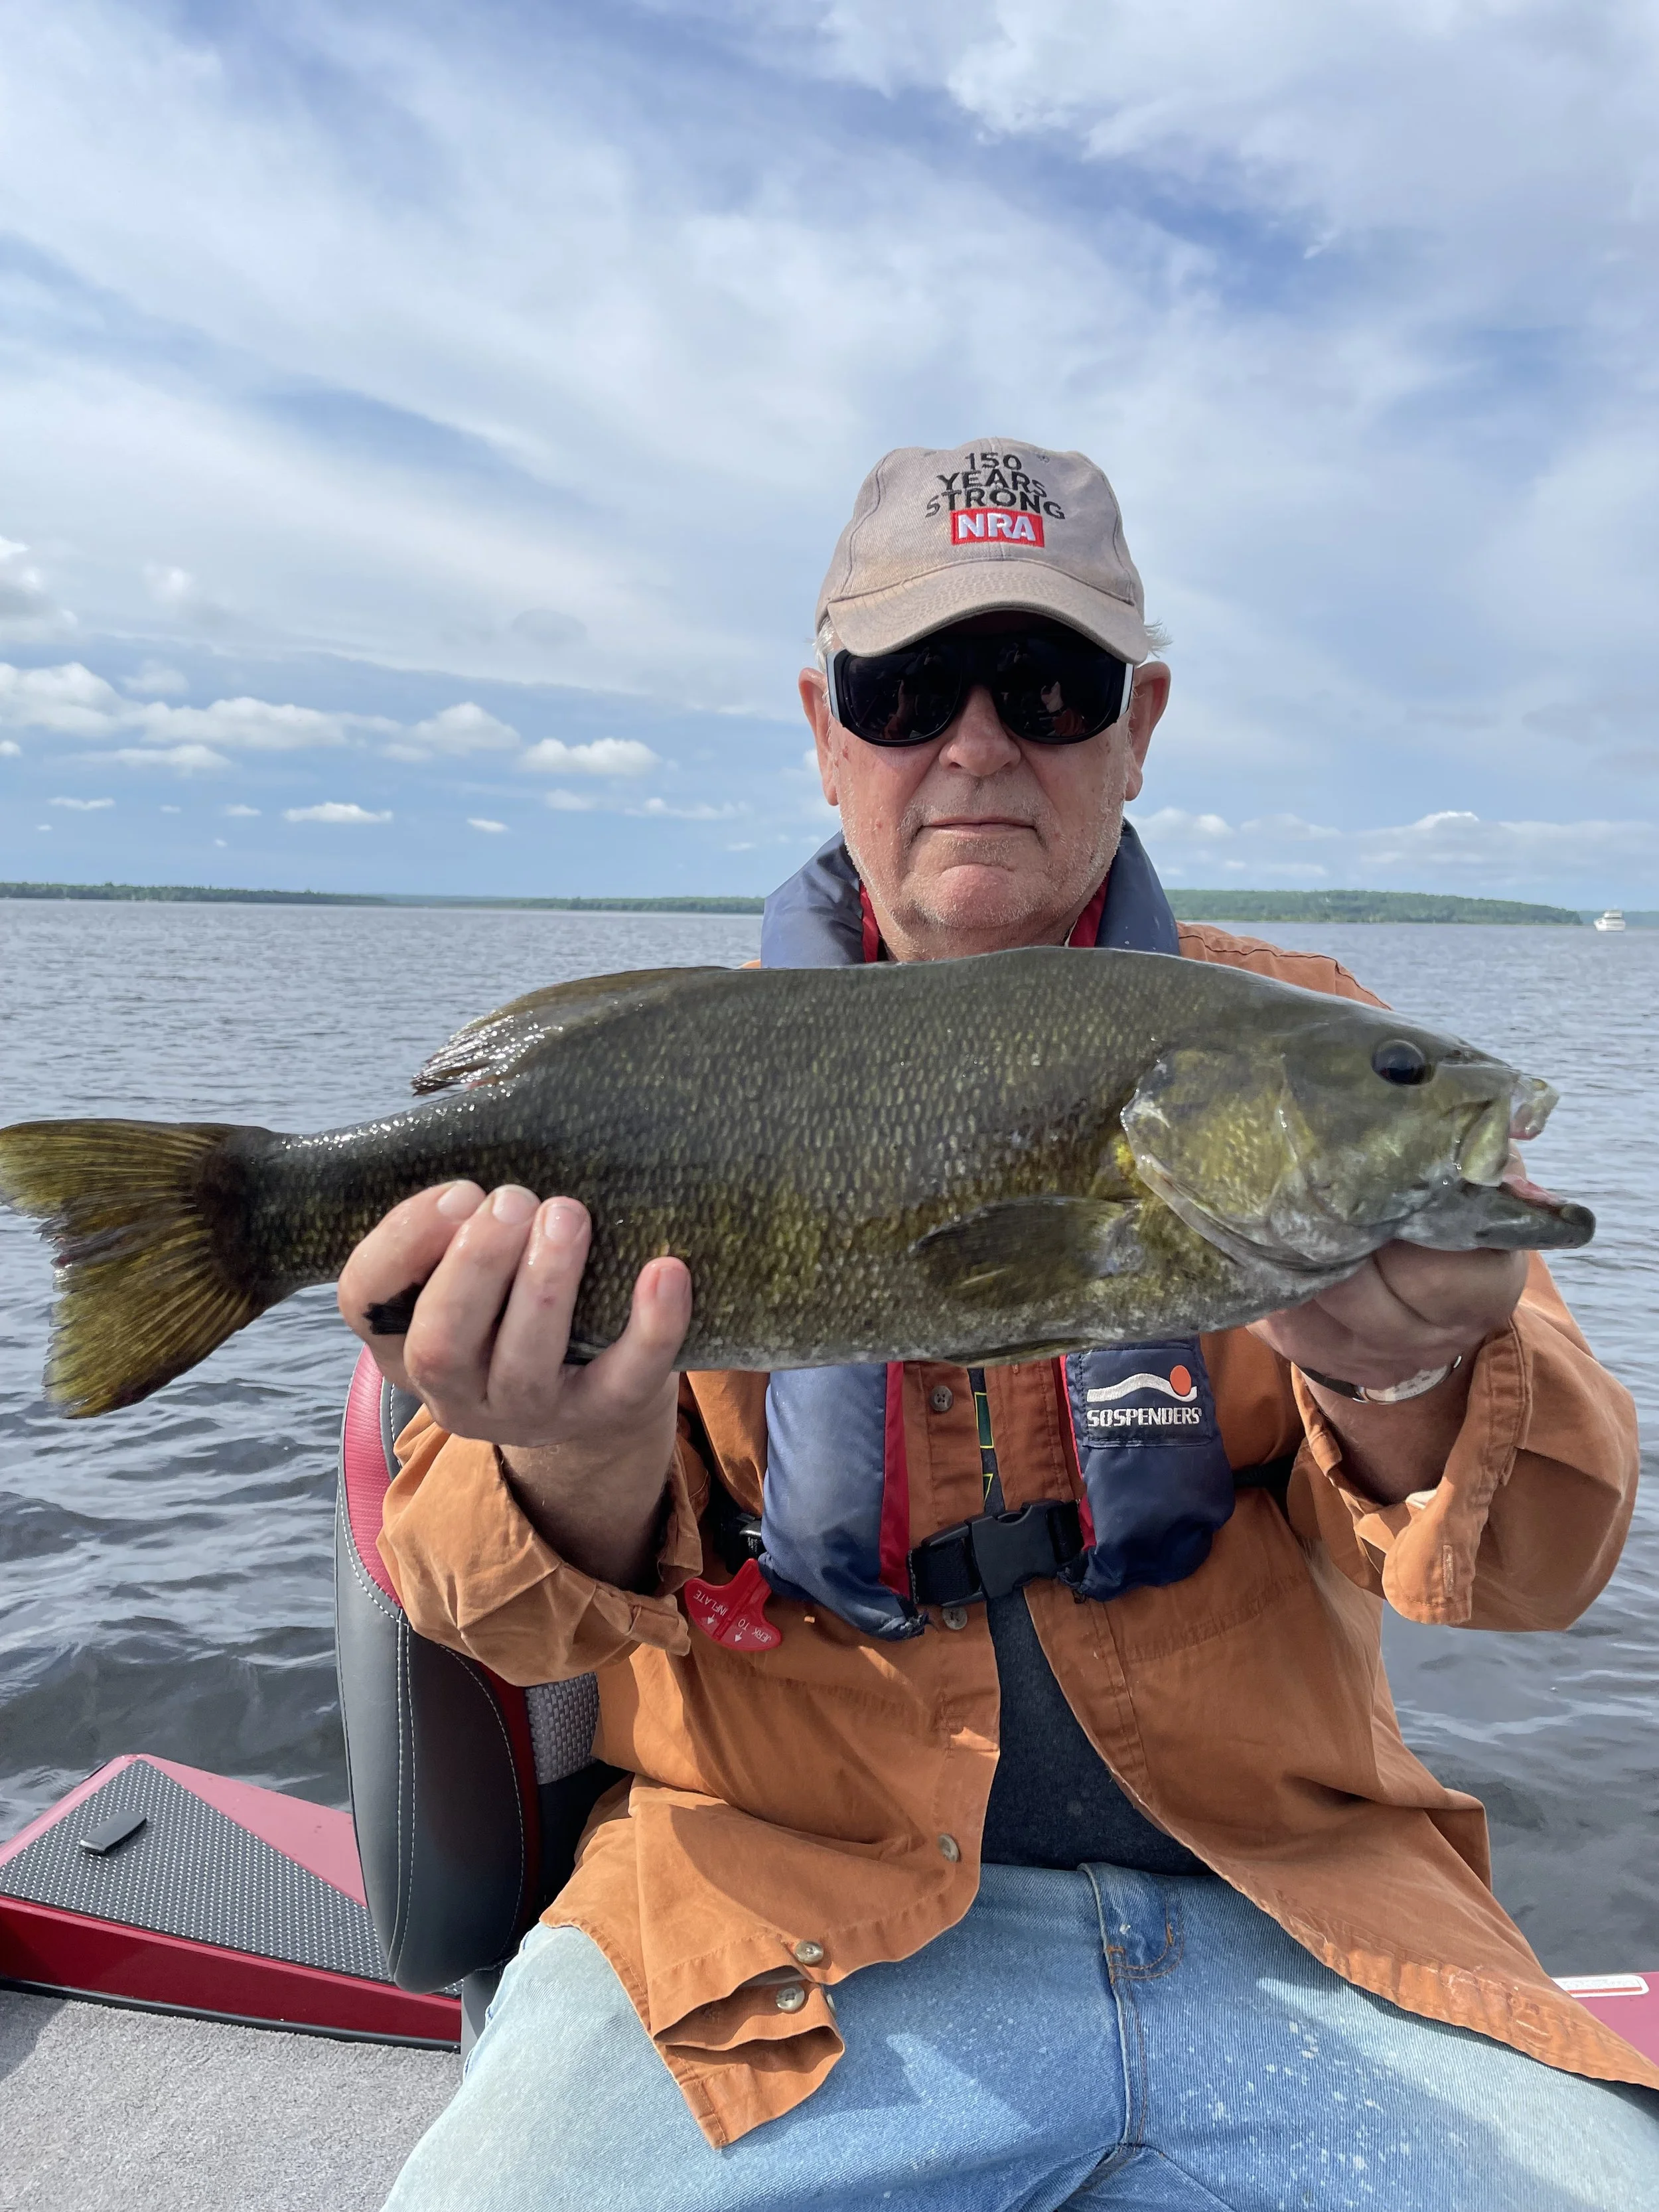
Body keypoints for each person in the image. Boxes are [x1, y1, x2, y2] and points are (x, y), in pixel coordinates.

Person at [351, 443, 1659, 2210]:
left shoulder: (1311, 1052)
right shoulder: (670, 1076)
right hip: (770, 1945)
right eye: (905, 691)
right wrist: (571, 1456)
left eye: (1049, 686)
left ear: (1140, 723)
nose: (975, 745)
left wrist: (1406, 1372)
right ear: (825, 729)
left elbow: (1539, 1569)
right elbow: (471, 1603)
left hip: (1296, 1915)